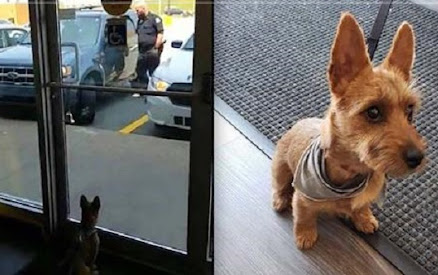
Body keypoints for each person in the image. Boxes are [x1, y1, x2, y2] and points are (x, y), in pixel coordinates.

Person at [133, 1, 164, 89]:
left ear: (143, 9)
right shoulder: (140, 21)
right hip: (142, 51)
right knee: (140, 71)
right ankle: (143, 90)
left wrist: (156, 47)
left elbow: (160, 33)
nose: (136, 12)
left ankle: (155, 90)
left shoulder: (155, 19)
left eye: (137, 10)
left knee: (153, 72)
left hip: (152, 51)